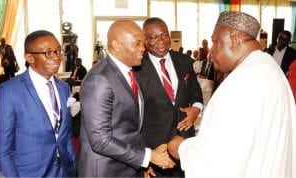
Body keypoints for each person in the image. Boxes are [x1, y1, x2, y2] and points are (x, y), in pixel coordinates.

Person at [167, 11, 296, 178]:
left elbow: (219, 162)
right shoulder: (269, 68)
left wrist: (181, 148)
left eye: (215, 41)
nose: (211, 50)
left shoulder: (243, 81)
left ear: (234, 40)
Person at [77, 19, 175, 177]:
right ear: (116, 45)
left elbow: (131, 127)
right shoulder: (100, 79)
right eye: (137, 44)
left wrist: (142, 163)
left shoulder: (129, 71)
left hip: (127, 167)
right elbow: (101, 141)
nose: (143, 49)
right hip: (105, 171)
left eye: (143, 43)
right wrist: (148, 157)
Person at [0, 30, 76, 177]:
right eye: (48, 53)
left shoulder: (63, 88)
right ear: (29, 57)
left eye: (58, 51)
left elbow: (66, 134)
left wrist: (72, 163)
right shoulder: (8, 92)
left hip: (63, 172)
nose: (57, 57)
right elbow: (2, 152)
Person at [134, 17, 203, 177]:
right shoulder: (137, 68)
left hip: (184, 143)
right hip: (155, 148)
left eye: (164, 35)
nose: (161, 41)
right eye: (154, 37)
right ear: (145, 40)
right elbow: (133, 115)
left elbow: (195, 92)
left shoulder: (185, 61)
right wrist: (145, 158)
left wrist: (196, 109)